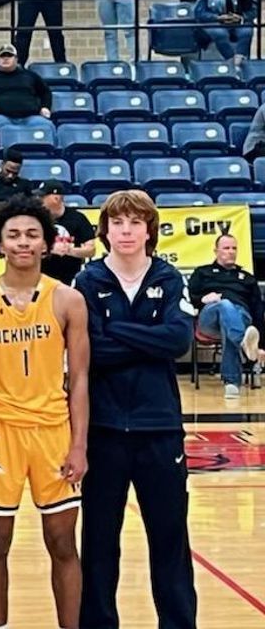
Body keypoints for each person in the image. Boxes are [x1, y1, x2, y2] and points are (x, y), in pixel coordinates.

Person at [0, 196, 90, 629]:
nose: (23, 242)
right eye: (13, 234)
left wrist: (79, 445)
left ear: (47, 242)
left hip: (53, 432)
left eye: (32, 234)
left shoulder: (68, 300)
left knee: (63, 543)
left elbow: (81, 380)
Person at [72, 191, 197, 629]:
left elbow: (178, 341)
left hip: (159, 427)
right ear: (105, 231)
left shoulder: (170, 277)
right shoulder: (87, 281)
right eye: (118, 223)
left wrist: (116, 331)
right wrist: (146, 335)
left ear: (150, 229)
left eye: (135, 222)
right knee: (100, 542)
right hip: (103, 429)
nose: (126, 231)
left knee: (170, 540)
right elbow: (90, 350)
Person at [188, 233, 264, 398]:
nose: (231, 252)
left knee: (229, 322)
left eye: (234, 248)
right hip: (209, 319)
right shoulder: (202, 273)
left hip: (240, 316)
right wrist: (202, 299)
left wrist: (262, 345)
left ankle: (232, 384)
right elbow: (187, 299)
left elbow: (258, 311)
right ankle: (243, 342)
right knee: (224, 304)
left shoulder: (247, 278)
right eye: (226, 248)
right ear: (216, 251)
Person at [195, 0, 257, 66]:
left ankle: (239, 61)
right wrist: (218, 18)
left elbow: (254, 9)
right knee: (220, 34)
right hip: (215, 22)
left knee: (246, 32)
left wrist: (241, 17)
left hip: (238, 22)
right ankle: (231, 61)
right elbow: (199, 12)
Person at [0, 45, 54, 131]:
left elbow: (45, 92)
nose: (5, 59)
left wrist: (45, 107)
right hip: (1, 118)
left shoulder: (30, 75)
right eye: (2, 56)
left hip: (31, 117)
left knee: (49, 126)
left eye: (9, 56)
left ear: (16, 59)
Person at [40, 179, 97, 285]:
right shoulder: (36, 218)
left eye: (43, 196)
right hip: (40, 277)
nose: (39, 200)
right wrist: (49, 249)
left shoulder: (78, 218)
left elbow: (91, 250)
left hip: (70, 278)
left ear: (56, 198)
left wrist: (68, 250)